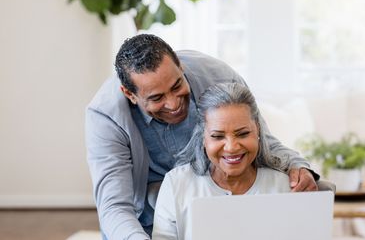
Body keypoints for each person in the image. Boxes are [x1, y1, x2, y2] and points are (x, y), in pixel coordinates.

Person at [85, 34, 319, 240]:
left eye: (177, 86)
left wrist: (297, 165)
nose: (174, 104)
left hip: (214, 202)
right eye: (157, 98)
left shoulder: (220, 77)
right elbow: (115, 207)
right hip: (140, 222)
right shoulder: (105, 117)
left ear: (180, 66)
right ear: (130, 94)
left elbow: (260, 138)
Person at [152, 83, 294, 240]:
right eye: (218, 136)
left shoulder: (283, 185)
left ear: (258, 131)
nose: (232, 147)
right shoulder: (176, 184)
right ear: (203, 138)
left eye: (243, 134)